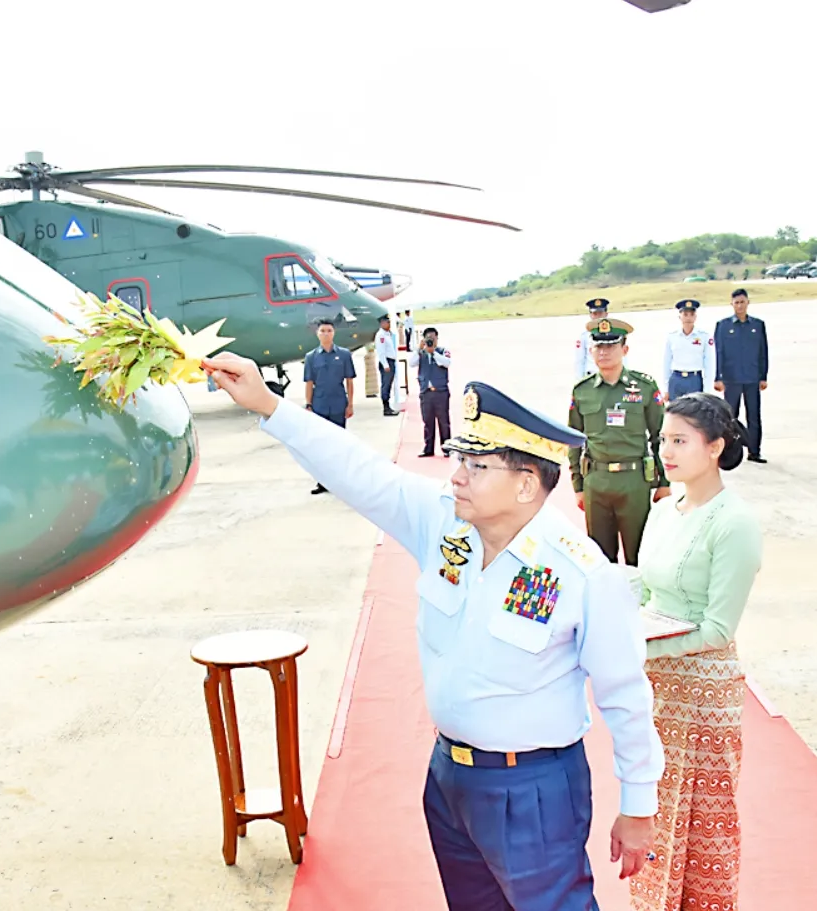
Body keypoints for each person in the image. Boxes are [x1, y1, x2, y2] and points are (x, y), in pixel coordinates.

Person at [202, 351, 664, 910]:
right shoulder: (447, 524)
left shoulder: (582, 574)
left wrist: (638, 804)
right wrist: (270, 405)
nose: (457, 476)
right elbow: (358, 471)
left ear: (526, 485)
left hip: (534, 787)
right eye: (459, 459)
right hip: (449, 778)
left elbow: (624, 695)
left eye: (477, 465)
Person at [628, 393, 763, 911]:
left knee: (707, 829)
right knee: (653, 819)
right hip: (656, 690)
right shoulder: (661, 511)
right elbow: (644, 589)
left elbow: (716, 629)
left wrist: (643, 647)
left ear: (715, 448)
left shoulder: (734, 522)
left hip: (706, 695)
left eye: (680, 441)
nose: (666, 450)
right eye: (663, 439)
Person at [569, 317, 671, 565]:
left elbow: (661, 436)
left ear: (624, 350)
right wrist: (578, 485)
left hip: (634, 482)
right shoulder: (582, 391)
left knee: (639, 555)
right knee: (600, 559)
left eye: (611, 346)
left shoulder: (645, 387)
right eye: (598, 346)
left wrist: (664, 482)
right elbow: (573, 439)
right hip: (596, 482)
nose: (603, 352)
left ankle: (641, 604)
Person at [712, 288, 768, 464]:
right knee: (729, 417)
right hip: (731, 378)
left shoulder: (757, 325)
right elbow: (719, 353)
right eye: (736, 302)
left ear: (748, 303)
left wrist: (763, 376)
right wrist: (718, 377)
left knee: (754, 416)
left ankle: (754, 451)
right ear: (731, 304)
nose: (740, 306)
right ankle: (729, 451)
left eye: (742, 302)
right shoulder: (723, 325)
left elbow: (763, 352)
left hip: (752, 377)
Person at [302, 318, 357, 494]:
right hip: (320, 405)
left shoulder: (344, 354)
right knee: (321, 446)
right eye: (322, 331)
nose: (326, 334)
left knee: (340, 444)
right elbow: (309, 383)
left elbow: (349, 381)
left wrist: (350, 404)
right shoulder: (311, 357)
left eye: (329, 331)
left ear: (334, 333)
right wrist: (308, 405)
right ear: (317, 334)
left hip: (339, 404)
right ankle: (323, 482)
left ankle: (341, 480)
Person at [408, 327, 451, 457]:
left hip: (440, 392)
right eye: (428, 339)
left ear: (437, 339)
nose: (431, 341)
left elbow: (446, 363)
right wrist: (419, 349)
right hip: (426, 392)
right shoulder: (421, 353)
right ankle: (428, 448)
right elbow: (411, 363)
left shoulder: (443, 351)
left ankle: (447, 448)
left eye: (433, 338)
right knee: (428, 421)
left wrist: (433, 353)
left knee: (444, 421)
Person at [661, 299, 714, 402]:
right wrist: (665, 388)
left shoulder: (704, 336)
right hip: (676, 379)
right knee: (675, 413)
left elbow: (709, 364)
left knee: (694, 413)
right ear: (679, 316)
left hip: (694, 379)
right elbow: (666, 363)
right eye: (685, 314)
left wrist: (707, 391)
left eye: (691, 314)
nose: (688, 318)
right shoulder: (672, 336)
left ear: (696, 316)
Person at [574, 298, 610, 380]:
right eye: (595, 314)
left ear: (606, 314)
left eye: (600, 313)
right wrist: (579, 382)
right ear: (590, 315)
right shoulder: (584, 335)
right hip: (591, 378)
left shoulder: (616, 333)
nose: (598, 316)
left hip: (610, 377)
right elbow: (579, 361)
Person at [374, 314, 400, 417]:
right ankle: (386, 408)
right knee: (386, 385)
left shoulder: (387, 334)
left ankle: (388, 407)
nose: (389, 324)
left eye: (389, 322)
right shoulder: (381, 335)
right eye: (387, 322)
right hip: (387, 362)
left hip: (390, 361)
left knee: (388, 384)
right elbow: (381, 352)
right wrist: (385, 364)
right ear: (381, 323)